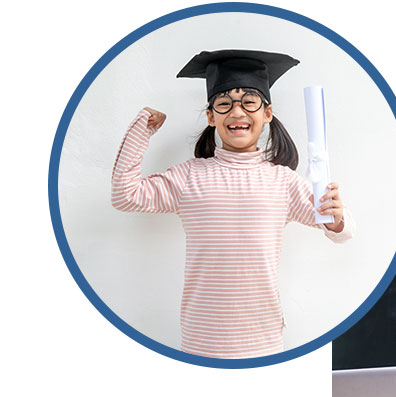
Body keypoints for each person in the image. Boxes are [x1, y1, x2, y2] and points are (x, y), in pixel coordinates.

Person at [111, 49, 354, 359]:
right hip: (201, 340)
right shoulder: (188, 177)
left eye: (249, 102)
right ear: (211, 116)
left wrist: (337, 218)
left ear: (267, 113)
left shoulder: (283, 182)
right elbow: (124, 195)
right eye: (224, 104)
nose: (237, 113)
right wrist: (142, 129)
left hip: (263, 342)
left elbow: (341, 229)